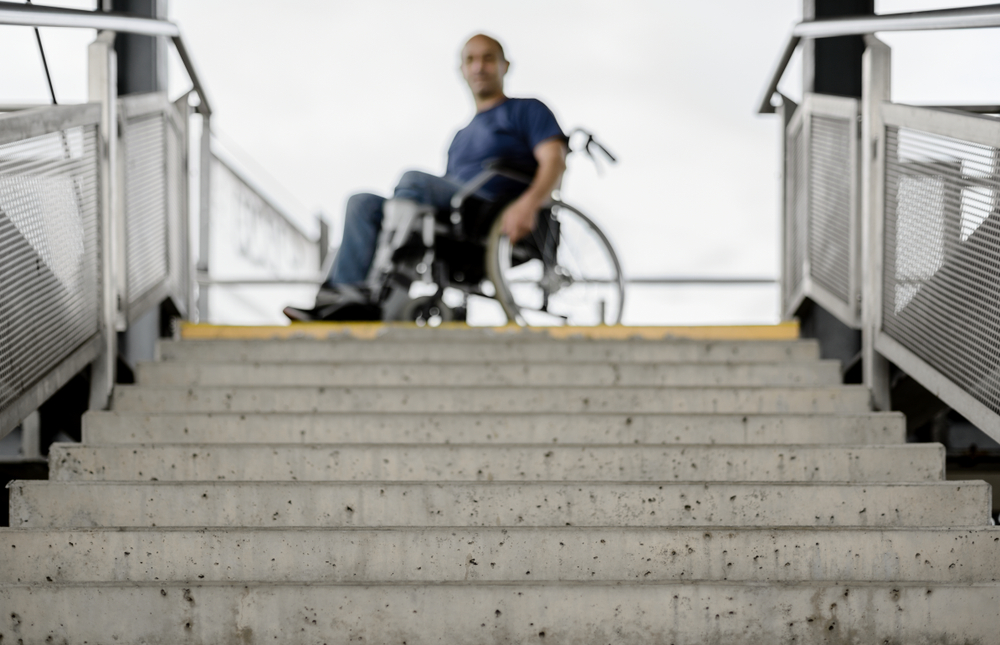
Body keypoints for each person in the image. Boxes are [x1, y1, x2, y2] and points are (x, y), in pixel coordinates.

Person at [285, 33, 567, 321]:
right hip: (457, 210)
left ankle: (376, 289)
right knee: (362, 203)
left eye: (488, 59)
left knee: (414, 181)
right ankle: (340, 295)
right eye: (471, 60)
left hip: (492, 208)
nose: (479, 67)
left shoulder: (527, 110)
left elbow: (555, 161)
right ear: (462, 71)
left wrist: (529, 205)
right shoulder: (460, 137)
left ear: (504, 66)